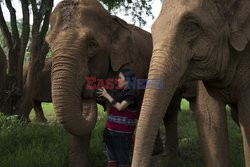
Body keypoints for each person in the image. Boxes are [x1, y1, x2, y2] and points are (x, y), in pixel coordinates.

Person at [97, 68, 139, 167]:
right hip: (110, 133)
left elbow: (120, 107)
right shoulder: (119, 92)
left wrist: (107, 95)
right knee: (112, 161)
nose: (118, 80)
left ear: (127, 81)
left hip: (122, 136)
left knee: (122, 161)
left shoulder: (131, 95)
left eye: (120, 78)